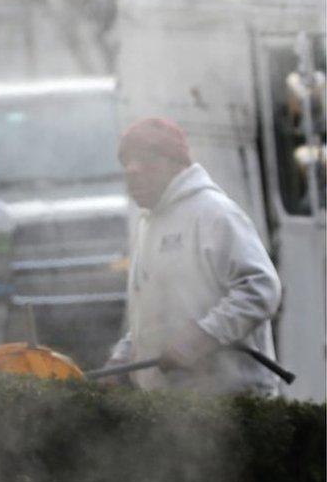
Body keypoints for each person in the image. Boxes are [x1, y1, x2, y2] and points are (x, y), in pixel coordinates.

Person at [105, 117, 283, 395]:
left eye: (146, 159)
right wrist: (125, 354)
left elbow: (261, 289)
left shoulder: (213, 213)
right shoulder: (148, 224)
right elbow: (153, 316)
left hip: (236, 401)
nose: (133, 170)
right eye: (126, 162)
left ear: (177, 164)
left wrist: (202, 336)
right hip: (178, 408)